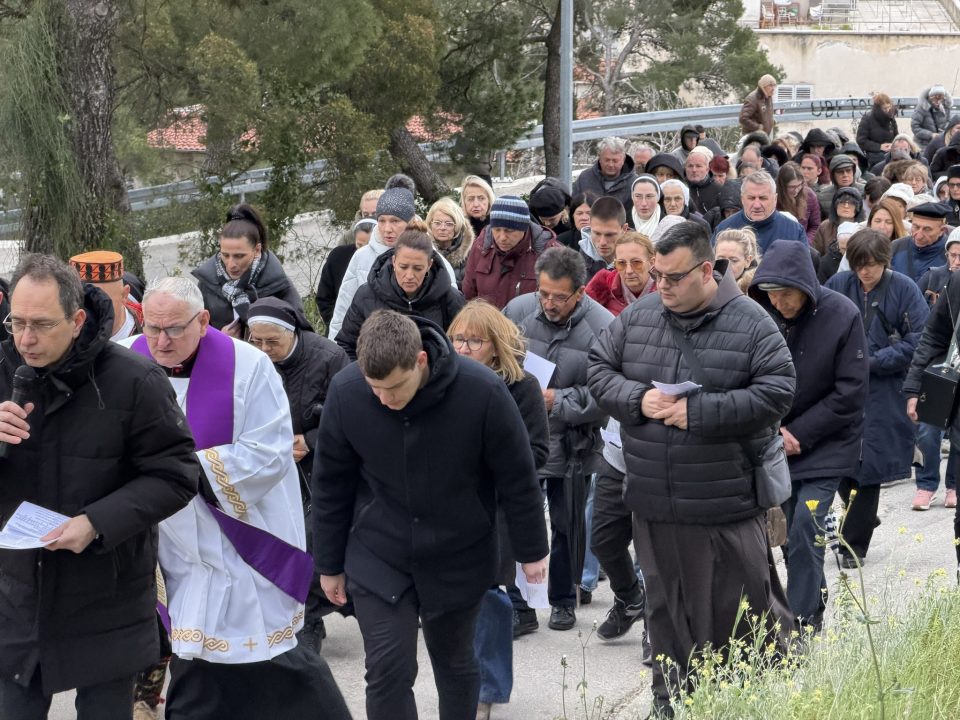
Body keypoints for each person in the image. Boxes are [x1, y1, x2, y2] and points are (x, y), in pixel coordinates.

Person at [588, 221, 795, 718]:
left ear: (707, 271)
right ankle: (669, 703)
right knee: (666, 612)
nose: (661, 285)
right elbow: (598, 368)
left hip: (724, 504)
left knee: (739, 613)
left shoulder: (751, 322)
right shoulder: (639, 316)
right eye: (657, 275)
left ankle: (742, 704)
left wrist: (696, 413)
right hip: (653, 502)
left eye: (673, 278)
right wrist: (640, 399)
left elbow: (778, 391)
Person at [119, 277, 350, 720]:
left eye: (173, 329)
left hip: (242, 538)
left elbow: (269, 451)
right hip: (173, 543)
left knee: (267, 652)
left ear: (204, 321)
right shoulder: (128, 360)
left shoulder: (248, 366)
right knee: (195, 654)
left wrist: (179, 469)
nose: (161, 341)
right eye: (152, 328)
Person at [313, 311, 549, 720]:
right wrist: (328, 564)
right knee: (387, 667)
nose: (384, 399)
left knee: (455, 662)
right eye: (375, 389)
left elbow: (517, 475)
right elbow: (331, 484)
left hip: (458, 551)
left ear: (421, 361)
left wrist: (531, 552)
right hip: (379, 551)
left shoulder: (482, 392)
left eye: (394, 388)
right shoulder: (347, 391)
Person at [0, 255, 198, 720]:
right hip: (16, 593)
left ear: (77, 320)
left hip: (105, 597)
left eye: (42, 325)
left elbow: (176, 474)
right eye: (17, 322)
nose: (26, 339)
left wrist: (96, 523)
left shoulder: (134, 380)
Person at [749, 241, 869, 629]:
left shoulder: (842, 314)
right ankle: (812, 598)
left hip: (828, 441)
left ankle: (798, 623)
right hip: (775, 442)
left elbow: (851, 391)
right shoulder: (762, 313)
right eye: (773, 295)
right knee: (788, 534)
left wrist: (800, 433)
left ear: (805, 288)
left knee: (806, 523)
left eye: (787, 295)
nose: (780, 303)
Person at [445, 301, 550, 720]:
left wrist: (487, 459)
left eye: (475, 340)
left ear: (497, 345)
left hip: (502, 507)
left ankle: (487, 691)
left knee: (490, 596)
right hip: (451, 505)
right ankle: (462, 681)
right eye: (459, 339)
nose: (465, 347)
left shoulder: (522, 386)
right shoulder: (445, 381)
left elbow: (538, 450)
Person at [503, 248, 614, 631]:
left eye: (559, 297)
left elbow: (609, 392)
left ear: (579, 293)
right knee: (516, 520)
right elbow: (496, 364)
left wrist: (557, 400)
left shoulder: (604, 325)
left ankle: (564, 598)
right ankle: (520, 605)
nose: (549, 303)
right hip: (522, 438)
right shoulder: (517, 312)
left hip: (574, 442)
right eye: (544, 294)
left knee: (567, 524)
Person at [245, 298, 351, 653]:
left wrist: (311, 440)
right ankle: (301, 616)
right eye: (255, 340)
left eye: (271, 342)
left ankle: (307, 617)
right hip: (267, 465)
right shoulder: (248, 360)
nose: (262, 349)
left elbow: (351, 417)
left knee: (312, 542)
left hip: (317, 467)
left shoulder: (329, 357)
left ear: (293, 334)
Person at [825, 230, 929, 567]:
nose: (864, 272)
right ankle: (864, 518)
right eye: (858, 265)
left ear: (884, 261)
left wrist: (874, 362)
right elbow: (818, 327)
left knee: (868, 466)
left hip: (885, 389)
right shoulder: (839, 283)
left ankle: (853, 544)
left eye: (870, 265)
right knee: (839, 460)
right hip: (841, 387)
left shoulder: (903, 288)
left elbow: (919, 340)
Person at [337, 221, 466, 359]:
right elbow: (346, 346)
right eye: (403, 267)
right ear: (393, 262)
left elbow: (465, 349)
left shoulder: (450, 298)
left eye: (418, 268)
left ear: (429, 265)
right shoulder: (366, 295)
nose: (409, 276)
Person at [192, 203, 303, 335]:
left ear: (257, 250)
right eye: (225, 255)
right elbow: (194, 334)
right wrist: (220, 338)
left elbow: (300, 334)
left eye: (239, 256)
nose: (231, 264)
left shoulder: (279, 285)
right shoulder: (206, 284)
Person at [462, 196, 561, 309]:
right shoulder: (481, 247)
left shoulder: (552, 255)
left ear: (524, 229)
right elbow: (469, 295)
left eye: (509, 231)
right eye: (496, 230)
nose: (502, 237)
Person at [713, 171, 808, 254]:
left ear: (775, 199)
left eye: (763, 198)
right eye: (751, 198)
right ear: (742, 199)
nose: (757, 205)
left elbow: (803, 271)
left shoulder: (794, 231)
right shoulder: (723, 229)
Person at [316, 217, 376, 334]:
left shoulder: (384, 259)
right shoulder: (338, 256)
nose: (363, 250)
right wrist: (336, 322)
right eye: (359, 244)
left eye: (368, 245)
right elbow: (324, 297)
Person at [69, 251, 143, 342]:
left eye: (102, 302)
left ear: (124, 295)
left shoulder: (151, 334)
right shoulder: (67, 338)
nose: (88, 310)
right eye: (82, 301)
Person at [586, 231, 657, 315]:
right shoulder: (601, 287)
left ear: (652, 263)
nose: (628, 271)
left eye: (636, 262)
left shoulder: (666, 291)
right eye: (621, 263)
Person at [891, 202, 951, 283]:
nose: (919, 236)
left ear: (942, 230)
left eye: (927, 229)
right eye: (916, 227)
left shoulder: (952, 253)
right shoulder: (896, 247)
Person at [572, 137, 638, 211]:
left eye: (615, 161)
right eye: (607, 160)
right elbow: (574, 207)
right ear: (599, 158)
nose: (610, 164)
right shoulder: (585, 178)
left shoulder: (634, 183)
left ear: (623, 160)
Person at [426, 197, 475, 290]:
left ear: (458, 225)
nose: (443, 227)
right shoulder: (421, 249)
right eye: (437, 223)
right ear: (430, 224)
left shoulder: (472, 253)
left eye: (449, 223)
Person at [580, 196, 628, 280]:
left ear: (624, 229)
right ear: (590, 225)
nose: (602, 242)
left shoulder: (641, 256)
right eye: (597, 233)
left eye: (609, 235)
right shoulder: (579, 260)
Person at [812, 187, 864, 256]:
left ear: (858, 207)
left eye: (852, 203)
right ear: (835, 205)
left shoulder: (864, 227)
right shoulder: (824, 226)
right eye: (842, 202)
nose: (846, 206)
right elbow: (816, 253)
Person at [776, 161, 821, 242]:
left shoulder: (809, 195)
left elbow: (815, 226)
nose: (796, 190)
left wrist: (805, 242)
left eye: (799, 185)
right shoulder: (774, 198)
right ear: (782, 185)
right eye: (792, 187)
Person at [816, 155, 865, 219]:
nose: (845, 175)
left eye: (848, 170)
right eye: (840, 172)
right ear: (833, 175)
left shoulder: (865, 191)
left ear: (853, 172)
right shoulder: (822, 196)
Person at [857, 94, 899, 167]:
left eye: (889, 107)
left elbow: (896, 135)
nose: (887, 110)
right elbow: (861, 140)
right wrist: (879, 147)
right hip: (874, 158)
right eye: (884, 108)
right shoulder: (867, 119)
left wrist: (893, 145)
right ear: (878, 108)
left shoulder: (891, 118)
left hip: (891, 155)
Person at [912, 85, 953, 149]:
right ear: (930, 97)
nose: (938, 101)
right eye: (936, 98)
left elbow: (949, 122)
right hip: (923, 144)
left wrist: (943, 132)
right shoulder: (921, 108)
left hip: (940, 143)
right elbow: (915, 127)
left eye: (941, 98)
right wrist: (931, 134)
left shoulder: (945, 108)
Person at [686, 148, 721, 214]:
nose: (694, 170)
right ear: (685, 168)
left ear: (707, 169)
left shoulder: (718, 190)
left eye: (698, 166)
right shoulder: (680, 188)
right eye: (690, 166)